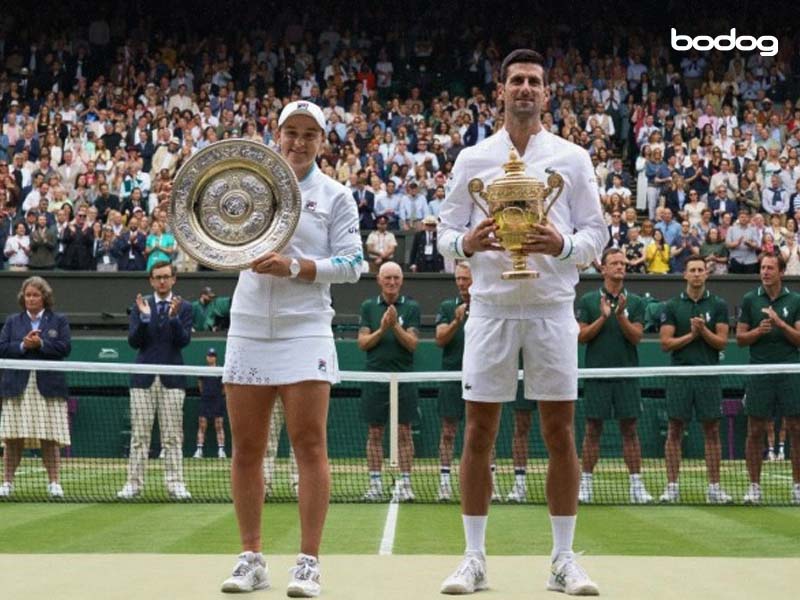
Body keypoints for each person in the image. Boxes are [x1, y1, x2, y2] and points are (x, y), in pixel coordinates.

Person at [437, 49, 605, 596]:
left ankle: (562, 559)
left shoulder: (573, 159)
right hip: (490, 309)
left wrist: (563, 245)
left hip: (553, 309)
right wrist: (466, 242)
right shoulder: (473, 160)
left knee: (560, 433)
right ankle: (474, 559)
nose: (525, 88)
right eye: (516, 81)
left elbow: (596, 236)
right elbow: (444, 233)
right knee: (479, 433)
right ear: (500, 92)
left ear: (546, 93)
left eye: (534, 81)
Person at [220, 101, 362, 596]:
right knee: (247, 449)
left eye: (309, 135)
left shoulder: (336, 196)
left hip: (307, 329)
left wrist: (297, 267)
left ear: (322, 141)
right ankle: (251, 557)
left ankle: (308, 562)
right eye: (290, 133)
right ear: (276, 135)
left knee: (309, 444)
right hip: (249, 325)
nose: (298, 143)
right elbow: (215, 237)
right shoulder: (246, 185)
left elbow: (352, 264)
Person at [576, 248, 653, 504]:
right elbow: (581, 336)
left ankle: (636, 486)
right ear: (604, 269)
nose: (620, 267)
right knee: (592, 430)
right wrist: (603, 317)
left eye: (623, 263)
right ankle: (585, 484)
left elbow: (637, 337)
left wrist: (620, 316)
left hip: (626, 375)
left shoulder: (638, 302)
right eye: (615, 263)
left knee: (630, 430)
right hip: (598, 375)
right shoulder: (588, 301)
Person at [658, 255, 733, 504]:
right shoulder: (670, 306)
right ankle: (672, 487)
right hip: (680, 376)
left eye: (701, 270)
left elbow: (722, 342)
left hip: (708, 375)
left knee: (712, 431)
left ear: (707, 274)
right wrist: (692, 335)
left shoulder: (719, 305)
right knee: (675, 430)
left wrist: (703, 331)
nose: (697, 274)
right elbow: (666, 343)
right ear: (685, 275)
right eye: (693, 270)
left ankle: (714, 488)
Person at [117, 261, 193, 501]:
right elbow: (134, 341)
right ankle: (133, 484)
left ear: (173, 279)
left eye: (166, 277)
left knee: (172, 437)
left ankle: (175, 484)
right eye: (157, 277)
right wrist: (145, 318)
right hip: (143, 381)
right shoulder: (141, 306)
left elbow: (183, 342)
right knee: (139, 436)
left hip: (172, 380)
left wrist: (173, 318)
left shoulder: (184, 307)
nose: (162, 281)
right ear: (151, 280)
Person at [735, 254, 800, 505]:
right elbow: (740, 339)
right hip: (759, 371)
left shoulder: (795, 300)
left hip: (790, 371)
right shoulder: (750, 299)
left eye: (770, 268)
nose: (765, 272)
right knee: (755, 430)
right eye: (762, 268)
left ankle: (797, 486)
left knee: (796, 429)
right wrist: (758, 331)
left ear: (781, 271)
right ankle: (754, 487)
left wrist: (779, 324)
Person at [0, 277, 71, 499]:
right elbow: (3, 347)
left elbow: (64, 347)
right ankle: (7, 483)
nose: (31, 299)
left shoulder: (58, 320)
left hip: (48, 386)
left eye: (35, 295)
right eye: (28, 295)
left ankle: (54, 484)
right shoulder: (13, 321)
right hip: (17, 386)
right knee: (12, 437)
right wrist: (23, 345)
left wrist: (41, 344)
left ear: (44, 298)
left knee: (49, 437)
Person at [434, 263, 499, 502]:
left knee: (485, 432)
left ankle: (490, 483)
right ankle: (444, 483)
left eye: (466, 278)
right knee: (449, 432)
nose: (462, 283)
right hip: (453, 377)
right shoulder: (448, 307)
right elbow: (440, 339)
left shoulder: (490, 304)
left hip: (483, 376)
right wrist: (456, 321)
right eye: (459, 279)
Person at [358, 261, 420, 502]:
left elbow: (413, 344)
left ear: (401, 280)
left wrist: (394, 326)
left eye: (396, 278)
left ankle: (405, 484)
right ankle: (375, 484)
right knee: (374, 432)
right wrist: (383, 328)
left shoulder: (411, 307)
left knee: (404, 432)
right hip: (376, 378)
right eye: (388, 278)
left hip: (403, 378)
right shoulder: (368, 307)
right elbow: (363, 343)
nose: (392, 282)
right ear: (379, 281)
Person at [194, 348, 226, 459]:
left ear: (215, 357)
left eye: (212, 356)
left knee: (219, 425)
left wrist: (217, 395)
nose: (211, 357)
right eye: (209, 355)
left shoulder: (221, 370)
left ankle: (221, 451)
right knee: (202, 425)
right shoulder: (203, 371)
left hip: (217, 400)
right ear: (206, 357)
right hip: (205, 400)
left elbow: (224, 388)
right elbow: (200, 386)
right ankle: (199, 450)